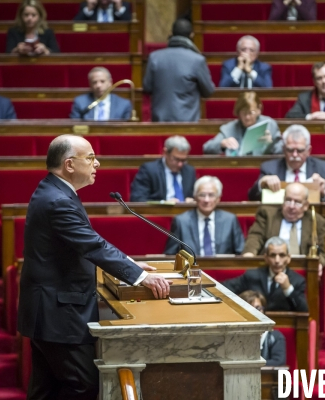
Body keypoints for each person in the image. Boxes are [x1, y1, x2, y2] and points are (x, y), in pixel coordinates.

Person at [17, 134, 171, 399]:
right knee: (83, 384)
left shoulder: (55, 191)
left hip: (49, 310)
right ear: (69, 165)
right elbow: (92, 246)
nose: (97, 163)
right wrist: (140, 276)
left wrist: (130, 262)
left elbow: (81, 244)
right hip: (59, 313)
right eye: (90, 158)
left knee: (46, 389)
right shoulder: (58, 200)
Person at [247, 124, 325, 243]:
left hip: (312, 225)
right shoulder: (270, 168)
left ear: (308, 150)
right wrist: (261, 183)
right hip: (277, 224)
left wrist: (323, 192)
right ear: (284, 149)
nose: (295, 155)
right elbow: (251, 198)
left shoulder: (324, 169)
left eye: (299, 151)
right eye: (290, 150)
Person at [243, 183, 325, 273]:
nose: (291, 206)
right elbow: (255, 237)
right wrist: (249, 255)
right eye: (288, 200)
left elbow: (321, 252)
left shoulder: (316, 221)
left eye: (297, 202)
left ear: (306, 205)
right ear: (283, 200)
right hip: (269, 268)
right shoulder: (268, 215)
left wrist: (319, 263)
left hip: (300, 272)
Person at [143, 18, 215, 122]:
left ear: (171, 33)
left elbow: (147, 87)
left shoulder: (154, 57)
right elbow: (208, 91)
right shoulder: (197, 60)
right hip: (188, 123)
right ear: (191, 35)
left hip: (160, 122)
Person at [164, 176, 245, 256]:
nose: (206, 200)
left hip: (221, 268)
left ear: (218, 198)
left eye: (211, 195)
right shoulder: (181, 221)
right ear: (195, 197)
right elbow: (170, 254)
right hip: (191, 268)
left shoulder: (230, 220)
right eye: (202, 195)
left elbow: (240, 251)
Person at [224, 237, 308, 312]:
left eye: (282, 255)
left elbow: (304, 310)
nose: (277, 260)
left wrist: (288, 289)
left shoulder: (298, 280)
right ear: (266, 258)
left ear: (288, 258)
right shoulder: (252, 275)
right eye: (273, 255)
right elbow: (224, 289)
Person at [203, 91, 282, 155]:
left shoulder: (270, 125)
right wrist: (222, 143)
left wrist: (271, 144)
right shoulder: (230, 128)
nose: (247, 117)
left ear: (259, 110)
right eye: (244, 113)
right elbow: (207, 147)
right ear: (238, 113)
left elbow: (282, 149)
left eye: (251, 113)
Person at [130, 136, 196, 203]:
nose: (180, 164)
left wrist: (193, 201)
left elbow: (197, 196)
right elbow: (138, 199)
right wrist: (164, 203)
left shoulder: (189, 171)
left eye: (183, 160)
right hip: (159, 213)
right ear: (165, 153)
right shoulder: (149, 170)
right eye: (176, 159)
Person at [239, 290, 287, 366]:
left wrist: (251, 365)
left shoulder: (275, 337)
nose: (255, 313)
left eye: (258, 308)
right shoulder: (234, 337)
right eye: (249, 309)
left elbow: (279, 361)